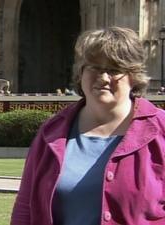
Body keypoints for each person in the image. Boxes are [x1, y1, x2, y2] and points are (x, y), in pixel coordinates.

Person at [11, 27, 165, 225]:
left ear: (133, 76)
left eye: (114, 69)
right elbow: (26, 208)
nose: (103, 77)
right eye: (94, 67)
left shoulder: (160, 130)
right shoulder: (52, 132)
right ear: (81, 72)